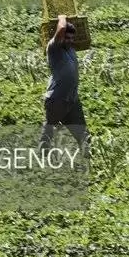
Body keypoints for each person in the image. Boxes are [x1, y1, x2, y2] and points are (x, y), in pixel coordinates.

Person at [39, 14, 90, 159]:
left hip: (72, 99)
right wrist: (62, 17)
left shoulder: (71, 50)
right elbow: (61, 28)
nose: (70, 41)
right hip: (57, 99)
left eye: (72, 38)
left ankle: (88, 163)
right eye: (67, 38)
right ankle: (41, 160)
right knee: (49, 131)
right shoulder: (54, 47)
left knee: (83, 134)